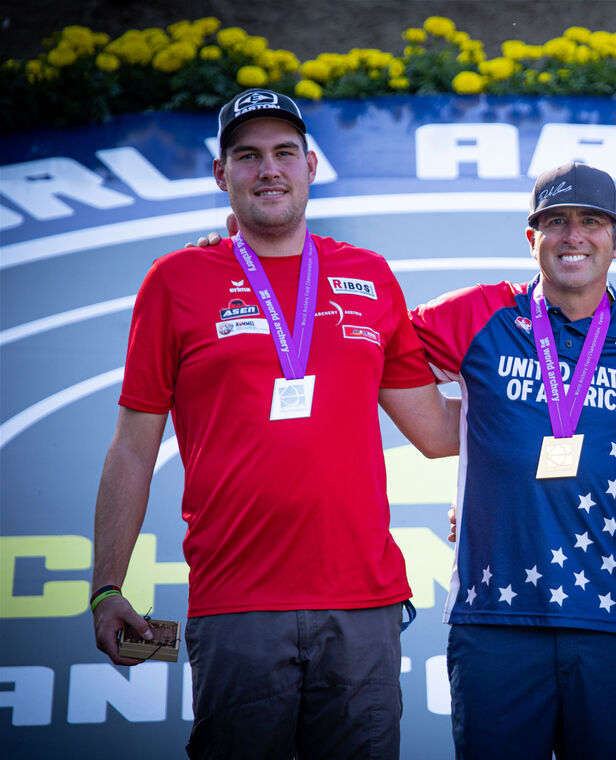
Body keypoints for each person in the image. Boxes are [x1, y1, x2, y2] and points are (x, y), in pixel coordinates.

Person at [90, 88, 460, 759]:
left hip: (362, 602)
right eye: (249, 155)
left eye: (284, 153)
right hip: (238, 605)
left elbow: (437, 434)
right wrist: (107, 587)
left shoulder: (369, 277)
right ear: (221, 174)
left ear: (311, 166)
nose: (269, 169)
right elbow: (132, 447)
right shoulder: (175, 281)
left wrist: (541, 402)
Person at [409, 162, 616, 759]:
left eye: (591, 221)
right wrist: (239, 256)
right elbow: (365, 344)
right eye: (556, 222)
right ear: (531, 237)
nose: (574, 235)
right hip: (495, 621)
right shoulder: (479, 313)